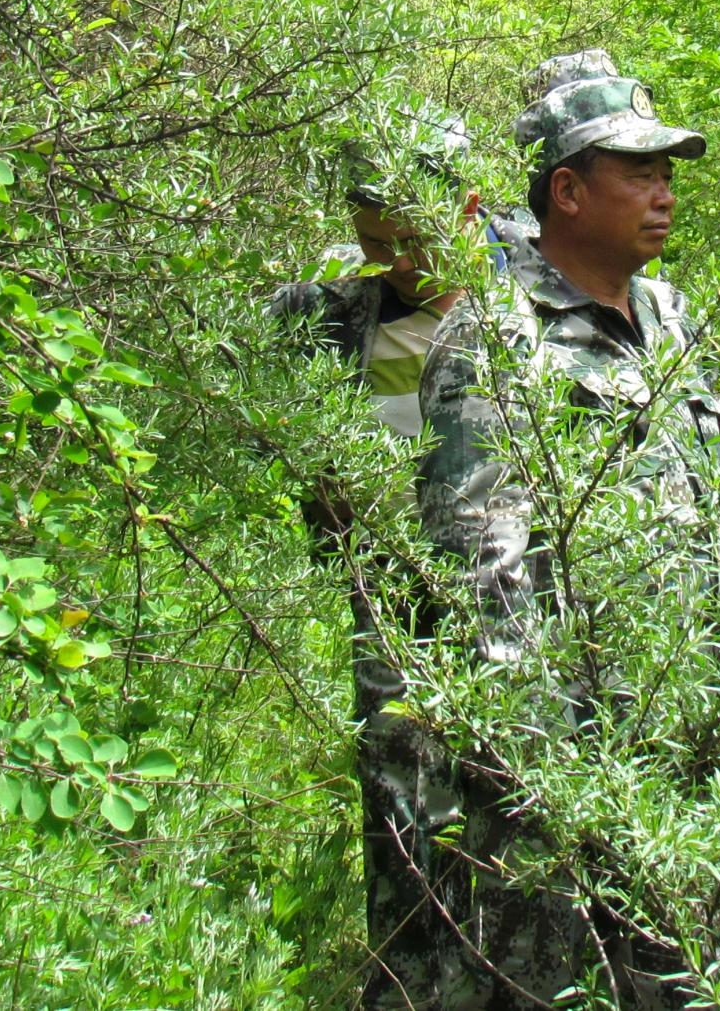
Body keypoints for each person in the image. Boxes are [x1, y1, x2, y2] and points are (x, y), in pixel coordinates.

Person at [407, 51, 720, 1010]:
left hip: (695, 753)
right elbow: (484, 584)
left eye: (668, 171)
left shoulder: (669, 318)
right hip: (578, 788)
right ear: (567, 191)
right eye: (639, 171)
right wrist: (564, 791)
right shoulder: (497, 341)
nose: (664, 192)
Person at [269, 120, 508, 1011]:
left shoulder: (533, 296)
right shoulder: (335, 314)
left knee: (521, 834)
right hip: (402, 618)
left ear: (467, 207)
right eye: (376, 242)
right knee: (407, 828)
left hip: (525, 612)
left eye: (412, 237)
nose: (397, 262)